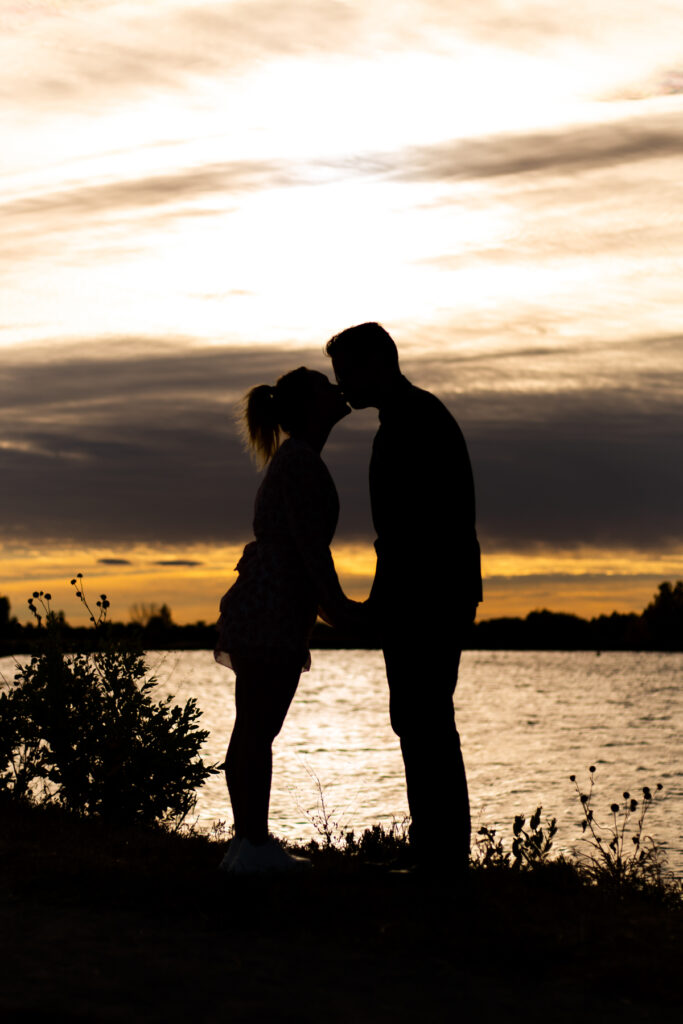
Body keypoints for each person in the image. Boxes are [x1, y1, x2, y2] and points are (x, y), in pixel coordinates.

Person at [326, 323, 482, 874]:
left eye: (347, 373)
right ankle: (438, 853)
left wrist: (377, 605)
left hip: (427, 596)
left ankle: (440, 859)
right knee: (422, 717)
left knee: (424, 718)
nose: (341, 386)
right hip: (433, 591)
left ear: (378, 363)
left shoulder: (412, 424)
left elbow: (409, 533)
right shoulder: (411, 419)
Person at [215, 366, 360, 874]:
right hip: (273, 606)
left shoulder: (296, 458)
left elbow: (305, 549)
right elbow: (310, 550)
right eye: (325, 387)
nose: (337, 391)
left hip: (269, 602)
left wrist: (330, 608)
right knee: (257, 728)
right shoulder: (300, 462)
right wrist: (342, 610)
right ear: (306, 407)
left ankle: (245, 843)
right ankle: (252, 844)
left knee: (253, 728)